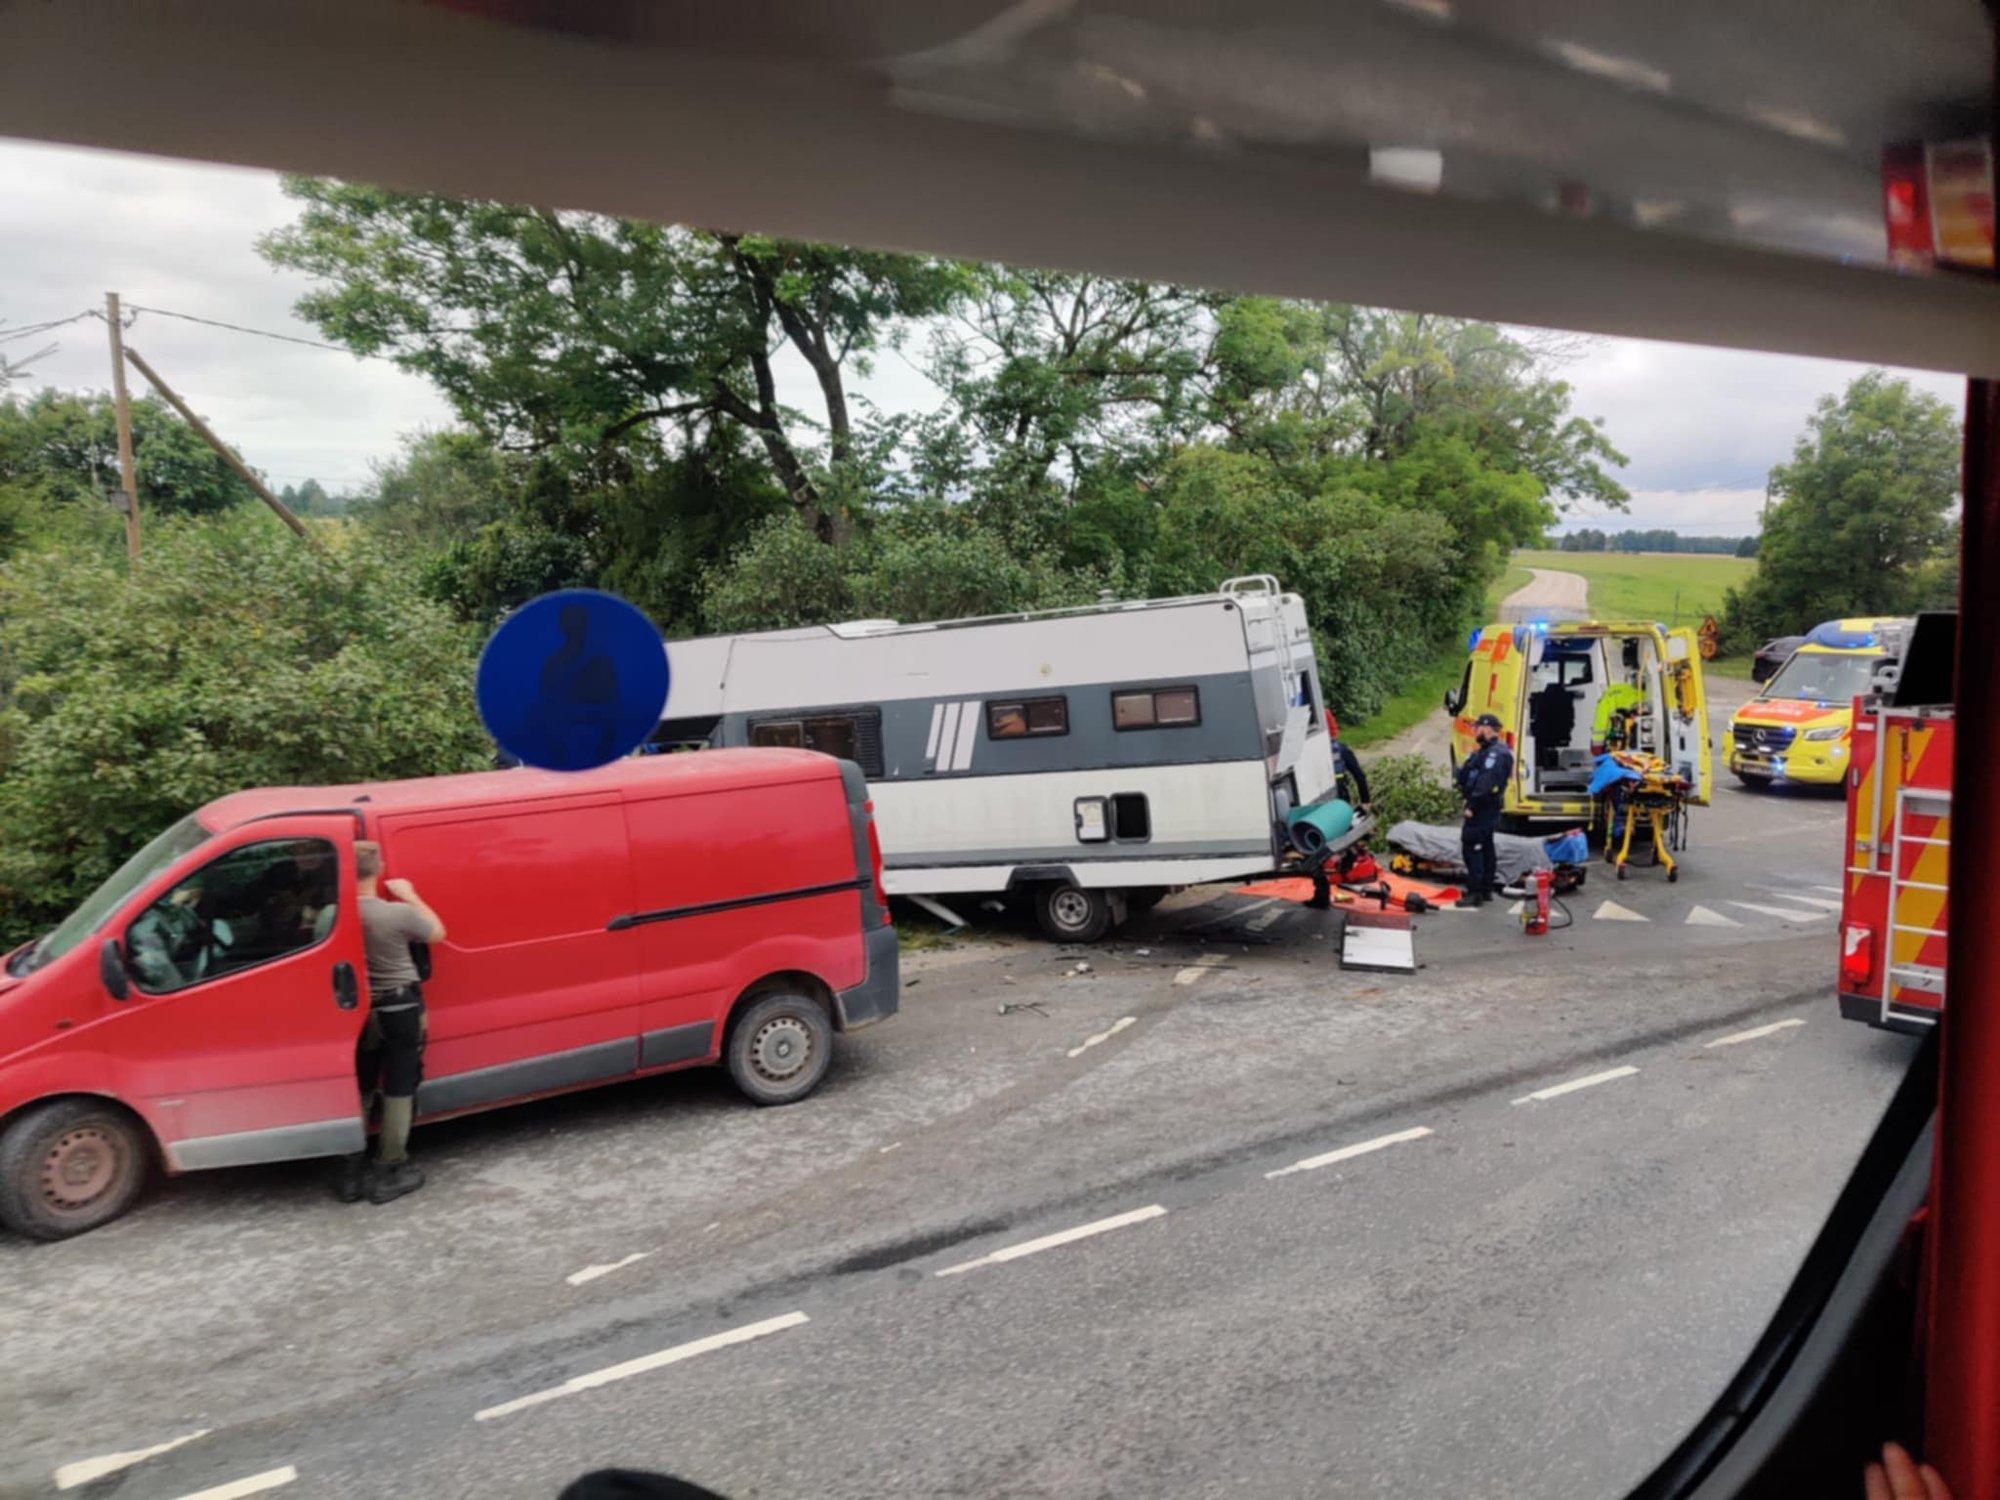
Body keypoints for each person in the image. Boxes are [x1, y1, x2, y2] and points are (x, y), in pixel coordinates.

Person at [335, 841, 446, 1205]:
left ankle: (349, 1171)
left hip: (359, 1013)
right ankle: (387, 1169)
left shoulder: (333, 916)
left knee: (362, 1085)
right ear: (378, 869)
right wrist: (410, 894)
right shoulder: (396, 914)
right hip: (400, 1008)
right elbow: (436, 932)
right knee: (400, 1085)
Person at [1309, 710, 1373, 910]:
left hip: (1319, 808)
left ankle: (1322, 894)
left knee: (1317, 850)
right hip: (1340, 805)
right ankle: (1348, 860)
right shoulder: (1342, 750)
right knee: (1340, 841)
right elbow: (1359, 776)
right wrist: (1365, 801)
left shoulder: (1308, 753)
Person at [1455, 712, 1513, 906]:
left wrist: (1472, 805)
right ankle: (1485, 887)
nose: (1475, 730)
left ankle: (1476, 891)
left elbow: (1486, 783)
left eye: (1478, 727)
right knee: (1486, 845)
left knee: (1473, 845)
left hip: (1482, 807)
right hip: (1484, 806)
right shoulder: (1486, 750)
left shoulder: (1495, 754)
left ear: (1488, 728)